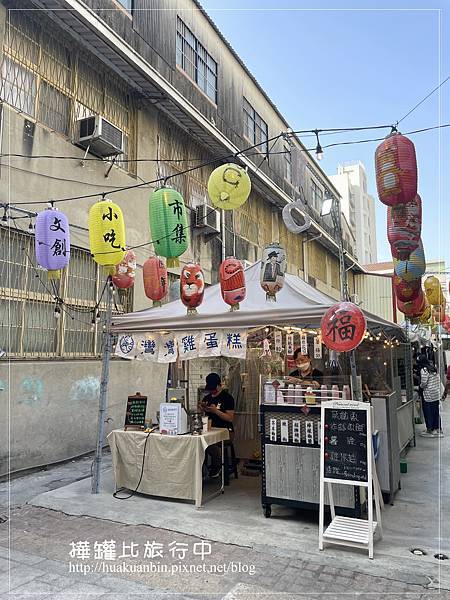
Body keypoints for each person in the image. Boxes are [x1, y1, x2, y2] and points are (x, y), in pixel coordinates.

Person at [201, 373, 235, 478]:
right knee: (199, 442)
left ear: (219, 385)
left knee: (209, 443)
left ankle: (217, 465)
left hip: (226, 432)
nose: (212, 391)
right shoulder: (207, 398)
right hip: (209, 430)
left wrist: (216, 411)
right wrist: (202, 409)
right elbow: (203, 416)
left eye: (213, 388)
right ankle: (203, 469)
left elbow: (230, 418)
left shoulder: (228, 398)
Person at [417, 354, 443, 438]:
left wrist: (420, 387)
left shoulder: (424, 370)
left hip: (428, 395)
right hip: (436, 394)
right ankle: (438, 428)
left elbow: (424, 382)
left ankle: (430, 430)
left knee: (428, 412)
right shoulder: (433, 368)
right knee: (436, 411)